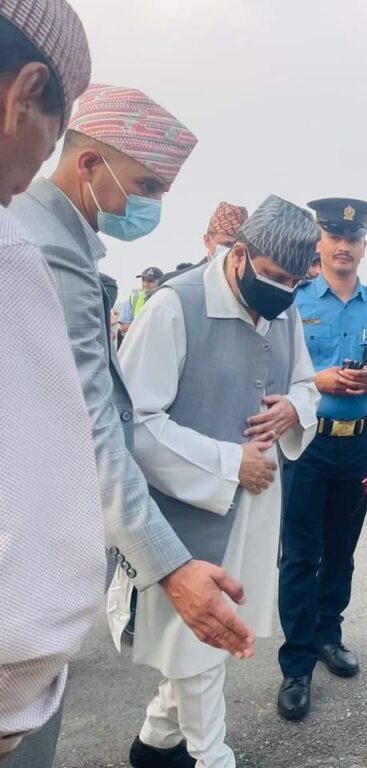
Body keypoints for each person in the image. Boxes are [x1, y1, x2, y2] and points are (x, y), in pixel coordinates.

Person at [9, 81, 255, 757]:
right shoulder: (41, 249)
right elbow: (97, 425)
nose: (148, 204)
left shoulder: (60, 240)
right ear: (89, 165)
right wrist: (170, 568)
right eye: (145, 184)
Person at [115, 194, 320, 768]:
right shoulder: (173, 307)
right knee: (205, 637)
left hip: (257, 508)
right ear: (239, 255)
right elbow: (136, 424)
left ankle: (156, 743)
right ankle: (212, 756)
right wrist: (231, 462)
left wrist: (294, 410)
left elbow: (306, 384)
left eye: (296, 282)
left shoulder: (287, 307)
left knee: (211, 636)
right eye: (276, 276)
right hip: (189, 509)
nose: (284, 291)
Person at [0, 3, 102, 765]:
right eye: (50, 134)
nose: (37, 165)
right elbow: (41, 546)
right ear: (21, 93)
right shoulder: (13, 251)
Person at [276, 198, 367, 721]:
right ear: (319, 243)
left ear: (364, 247)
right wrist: (315, 380)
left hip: (360, 441)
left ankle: (328, 634)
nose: (344, 246)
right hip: (307, 439)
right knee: (301, 554)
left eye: (354, 238)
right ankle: (296, 665)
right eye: (335, 237)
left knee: (342, 549)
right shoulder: (294, 302)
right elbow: (272, 371)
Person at [159, 202, 250, 287]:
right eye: (227, 244)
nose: (232, 251)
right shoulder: (175, 283)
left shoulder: (247, 286)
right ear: (207, 241)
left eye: (237, 246)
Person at [119, 266, 163, 333]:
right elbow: (124, 327)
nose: (145, 284)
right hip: (138, 341)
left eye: (150, 281)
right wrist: (148, 326)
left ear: (160, 282)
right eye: (143, 280)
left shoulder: (165, 299)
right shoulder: (132, 299)